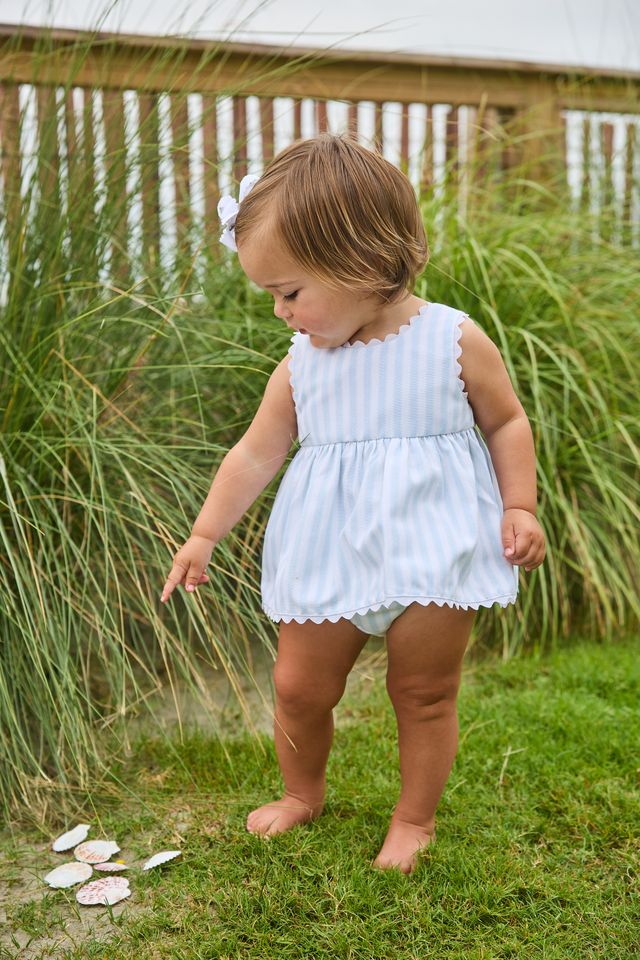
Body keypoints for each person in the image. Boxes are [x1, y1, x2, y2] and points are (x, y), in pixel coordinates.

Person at [160, 133, 546, 874]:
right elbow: (254, 454)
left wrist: (519, 505)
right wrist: (205, 534)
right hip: (328, 551)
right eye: (273, 297)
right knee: (299, 686)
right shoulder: (299, 368)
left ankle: (414, 819)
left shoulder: (453, 340)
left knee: (424, 691)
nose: (281, 312)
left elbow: (506, 421)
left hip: (435, 548)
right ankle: (301, 792)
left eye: (289, 292)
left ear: (362, 263)